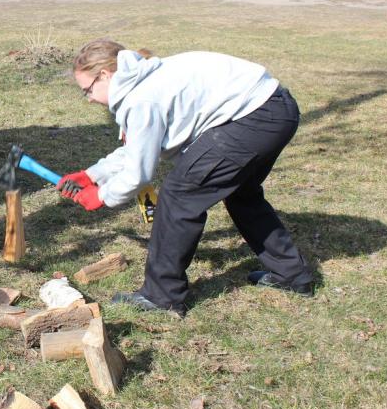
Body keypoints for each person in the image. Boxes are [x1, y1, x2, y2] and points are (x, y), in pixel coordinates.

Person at [58, 39, 314, 317]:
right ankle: (291, 274)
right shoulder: (143, 79)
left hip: (254, 117)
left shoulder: (140, 98)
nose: (89, 98)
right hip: (276, 109)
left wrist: (101, 196)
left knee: (179, 197)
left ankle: (162, 296)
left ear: (105, 75)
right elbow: (139, 148)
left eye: (88, 90)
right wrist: (92, 175)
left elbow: (139, 172)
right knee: (241, 193)